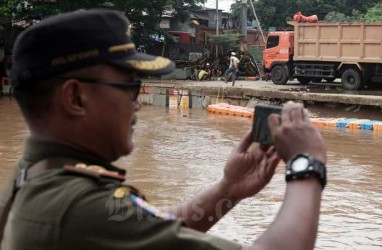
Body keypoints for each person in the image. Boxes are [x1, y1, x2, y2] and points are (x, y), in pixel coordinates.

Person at [0, 9, 327, 250]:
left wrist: (228, 190)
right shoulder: (78, 208)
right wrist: (306, 163)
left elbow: (149, 231)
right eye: (130, 87)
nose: (137, 104)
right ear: (75, 97)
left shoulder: (32, 178)